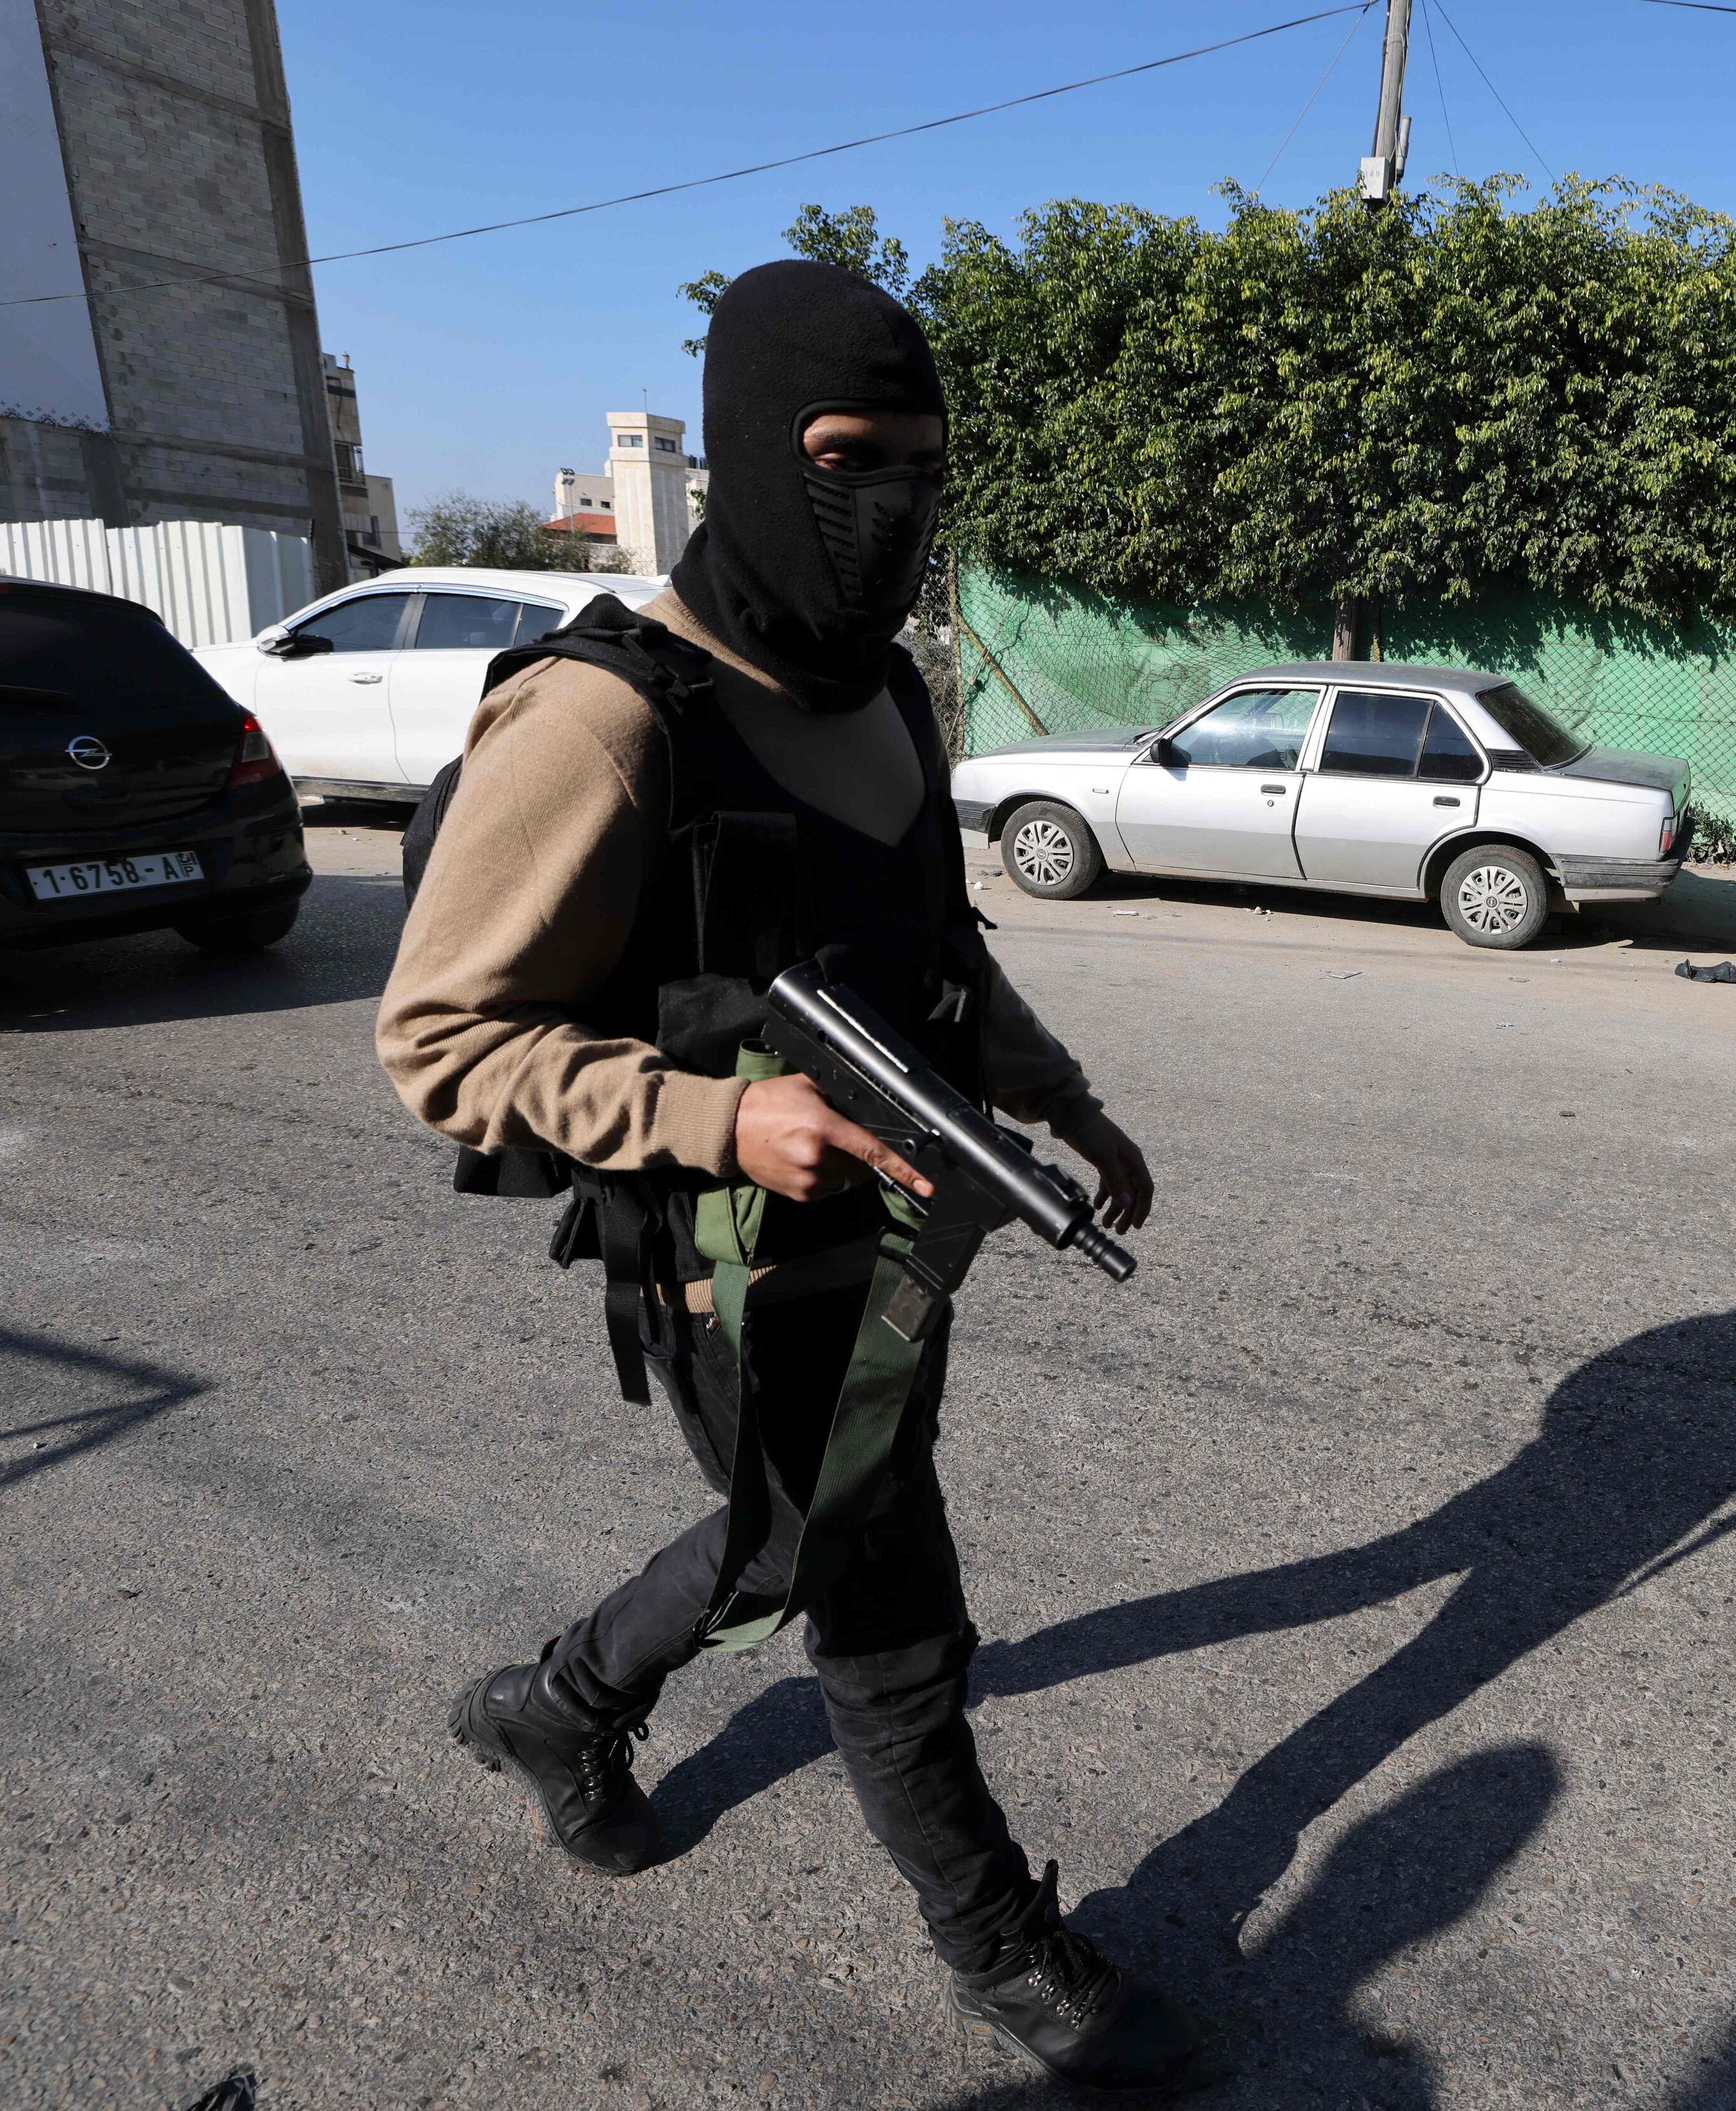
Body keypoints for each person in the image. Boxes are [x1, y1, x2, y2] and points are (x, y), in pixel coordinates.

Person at [375, 261, 1198, 2096]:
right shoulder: (604, 719)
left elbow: (941, 966)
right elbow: (438, 1043)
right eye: (843, 456)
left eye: (919, 464)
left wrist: (1065, 1104)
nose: (885, 506)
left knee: (788, 1535)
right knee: (884, 1603)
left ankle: (557, 1706)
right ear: (750, 452)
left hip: (905, 1236)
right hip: (724, 1261)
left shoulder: (889, 692)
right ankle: (1006, 1958)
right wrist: (712, 1121)